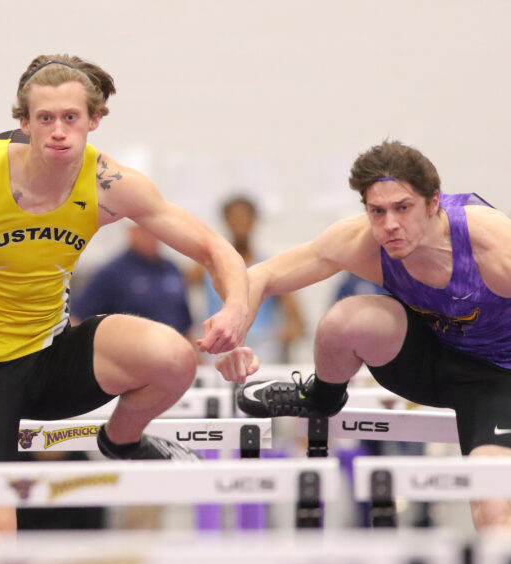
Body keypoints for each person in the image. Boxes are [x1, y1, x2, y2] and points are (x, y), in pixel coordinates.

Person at [0, 54, 250, 534]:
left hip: (53, 358)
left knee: (174, 359)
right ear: (24, 124)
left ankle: (121, 441)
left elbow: (213, 248)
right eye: (46, 119)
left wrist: (236, 310)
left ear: (94, 121)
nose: (59, 131)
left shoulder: (107, 183)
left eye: (71, 118)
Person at [217, 140, 511, 530]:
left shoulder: (490, 245)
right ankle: (321, 397)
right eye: (377, 211)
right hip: (429, 362)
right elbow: (262, 275)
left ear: (433, 202)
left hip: (498, 377)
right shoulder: (362, 241)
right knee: (346, 319)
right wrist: (232, 332)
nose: (389, 224)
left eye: (403, 208)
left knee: (492, 506)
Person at [192, 195, 306, 363]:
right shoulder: (205, 267)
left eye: (245, 219)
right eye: (235, 219)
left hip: (262, 349)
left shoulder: (270, 266)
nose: (240, 225)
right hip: (217, 346)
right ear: (225, 222)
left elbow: (298, 321)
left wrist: (283, 336)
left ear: (254, 221)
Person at [73, 223, 193, 337]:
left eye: (156, 231)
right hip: (128, 353)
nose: (152, 236)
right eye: (146, 231)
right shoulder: (112, 272)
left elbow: (186, 323)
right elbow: (78, 318)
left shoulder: (171, 269)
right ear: (132, 233)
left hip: (173, 349)